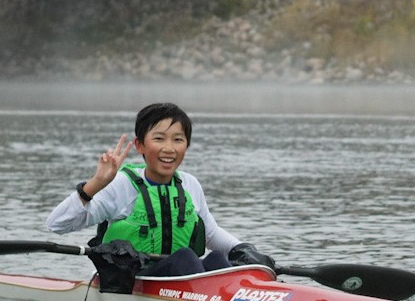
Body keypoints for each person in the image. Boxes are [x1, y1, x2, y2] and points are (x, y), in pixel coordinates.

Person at [46, 102, 274, 280]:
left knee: (216, 258)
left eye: (178, 140)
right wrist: (96, 183)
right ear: (140, 146)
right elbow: (57, 224)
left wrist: (244, 250)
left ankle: (248, 296)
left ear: (187, 145)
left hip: (183, 281)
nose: (169, 148)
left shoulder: (189, 184)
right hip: (134, 280)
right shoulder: (122, 185)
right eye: (159, 139)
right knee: (185, 256)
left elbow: (210, 235)